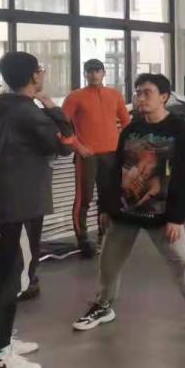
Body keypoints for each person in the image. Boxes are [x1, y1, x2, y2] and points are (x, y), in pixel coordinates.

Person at [71, 74, 185, 348]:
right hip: (125, 212)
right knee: (109, 262)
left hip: (163, 215)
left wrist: (177, 217)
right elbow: (115, 171)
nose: (140, 98)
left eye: (147, 92)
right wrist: (107, 207)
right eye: (138, 92)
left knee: (183, 263)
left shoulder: (182, 131)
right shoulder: (130, 130)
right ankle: (103, 305)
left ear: (164, 97)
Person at [0, 52, 74, 368]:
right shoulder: (27, 112)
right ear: (34, 76)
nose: (43, 75)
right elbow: (66, 142)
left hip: (7, 199)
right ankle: (0, 355)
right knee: (14, 277)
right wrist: (50, 105)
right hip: (22, 204)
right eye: (40, 71)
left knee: (5, 273)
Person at [62, 59, 131, 258]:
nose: (94, 74)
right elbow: (61, 126)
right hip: (87, 156)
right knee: (84, 198)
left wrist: (122, 146)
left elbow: (126, 123)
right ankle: (82, 239)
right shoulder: (75, 97)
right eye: (90, 71)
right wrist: (78, 147)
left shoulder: (114, 95)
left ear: (103, 72)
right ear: (85, 74)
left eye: (97, 70)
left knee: (108, 197)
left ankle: (105, 235)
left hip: (111, 154)